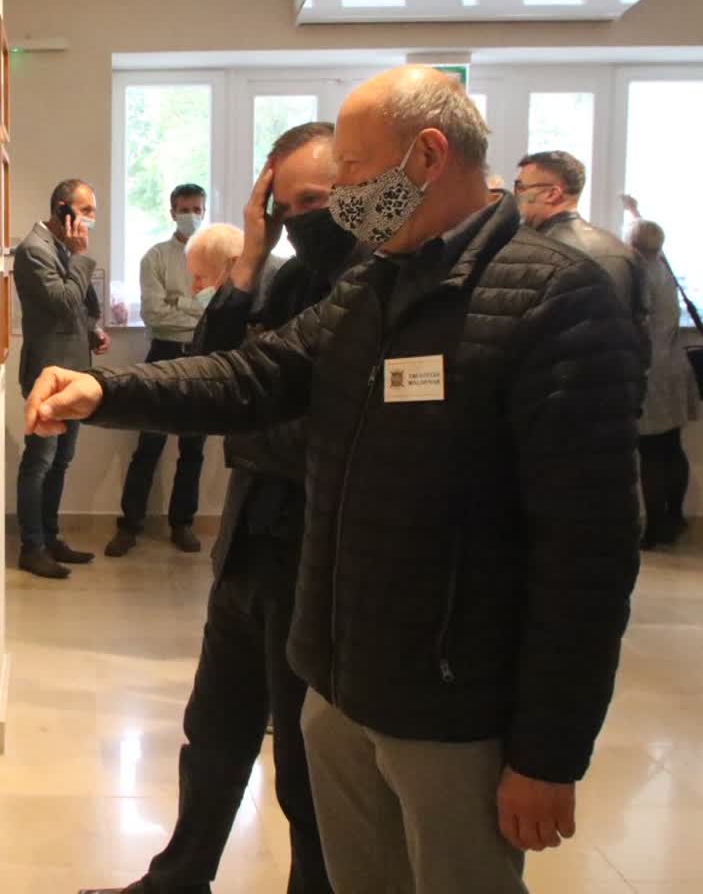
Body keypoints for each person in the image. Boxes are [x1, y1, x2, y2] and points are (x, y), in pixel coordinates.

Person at [31, 66, 644, 894]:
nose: (344, 199)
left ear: (427, 155)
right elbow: (255, 375)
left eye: (352, 169)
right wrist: (106, 391)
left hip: (451, 705)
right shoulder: (375, 283)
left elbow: (588, 554)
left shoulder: (555, 297)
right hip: (338, 680)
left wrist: (547, 753)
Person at [81, 122, 352, 894]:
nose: (301, 217)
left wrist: (254, 425)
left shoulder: (371, 284)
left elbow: (302, 421)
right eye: (285, 202)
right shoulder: (282, 280)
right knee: (213, 730)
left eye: (317, 200)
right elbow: (217, 366)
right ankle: (178, 879)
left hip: (320, 553)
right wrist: (251, 256)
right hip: (250, 537)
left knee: (302, 763)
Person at [106, 186, 212, 557]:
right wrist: (196, 309)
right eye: (184, 209)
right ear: (171, 212)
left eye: (197, 209)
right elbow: (154, 314)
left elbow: (217, 311)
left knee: (193, 449)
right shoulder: (155, 256)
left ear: (204, 211)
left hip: (202, 355)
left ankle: (183, 524)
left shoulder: (216, 256)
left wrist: (179, 301)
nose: (190, 216)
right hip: (164, 353)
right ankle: (129, 525)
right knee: (149, 444)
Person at [12, 179, 109, 579]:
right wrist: (80, 257)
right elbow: (62, 302)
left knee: (61, 461)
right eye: (86, 211)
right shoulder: (33, 250)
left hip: (73, 370)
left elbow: (82, 304)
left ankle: (51, 538)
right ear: (62, 210)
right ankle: (32, 547)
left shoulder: (61, 247)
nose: (91, 219)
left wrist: (93, 330)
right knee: (40, 461)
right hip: (46, 373)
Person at [516, 151, 650, 362]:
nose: (516, 196)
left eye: (521, 187)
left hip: (555, 373)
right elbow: (640, 329)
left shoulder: (529, 250)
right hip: (615, 373)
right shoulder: (622, 251)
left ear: (552, 194)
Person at [629, 219, 698, 547]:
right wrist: (633, 211)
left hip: (651, 371)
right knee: (671, 446)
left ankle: (656, 528)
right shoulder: (664, 268)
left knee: (651, 451)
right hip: (674, 366)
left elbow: (637, 322)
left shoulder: (641, 274)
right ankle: (675, 517)